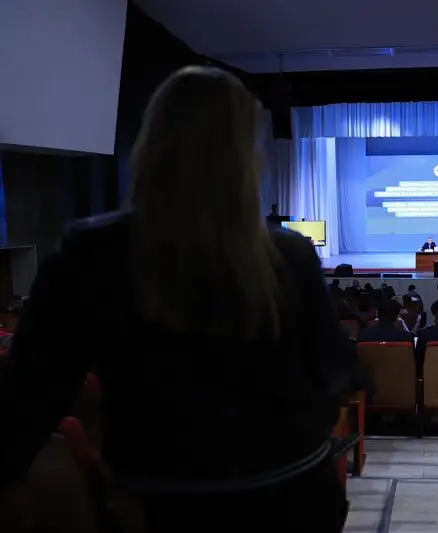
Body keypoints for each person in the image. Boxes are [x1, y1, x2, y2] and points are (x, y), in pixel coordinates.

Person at [0, 67, 351, 531]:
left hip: (158, 506)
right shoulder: (291, 253)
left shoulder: (91, 252)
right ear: (246, 156)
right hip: (292, 499)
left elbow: (31, 397)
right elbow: (335, 374)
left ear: (151, 143)